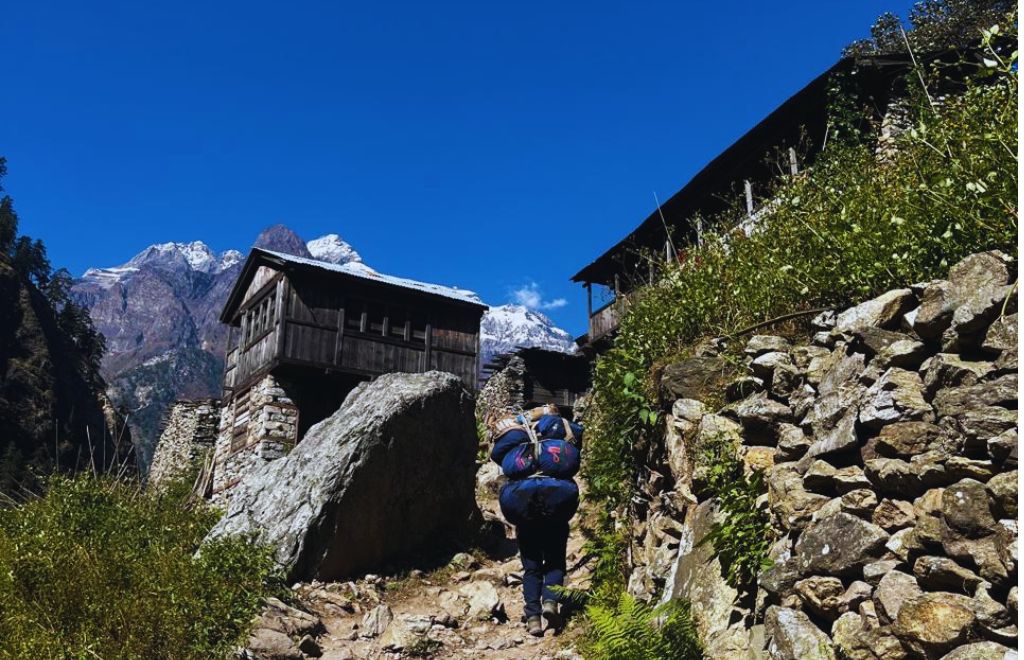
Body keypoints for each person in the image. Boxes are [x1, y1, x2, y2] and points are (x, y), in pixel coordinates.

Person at [489, 407, 582, 637]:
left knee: (531, 567)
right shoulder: (557, 438)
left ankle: (533, 618)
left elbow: (496, 456)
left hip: (522, 502)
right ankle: (550, 602)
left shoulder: (517, 446)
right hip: (557, 498)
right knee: (555, 559)